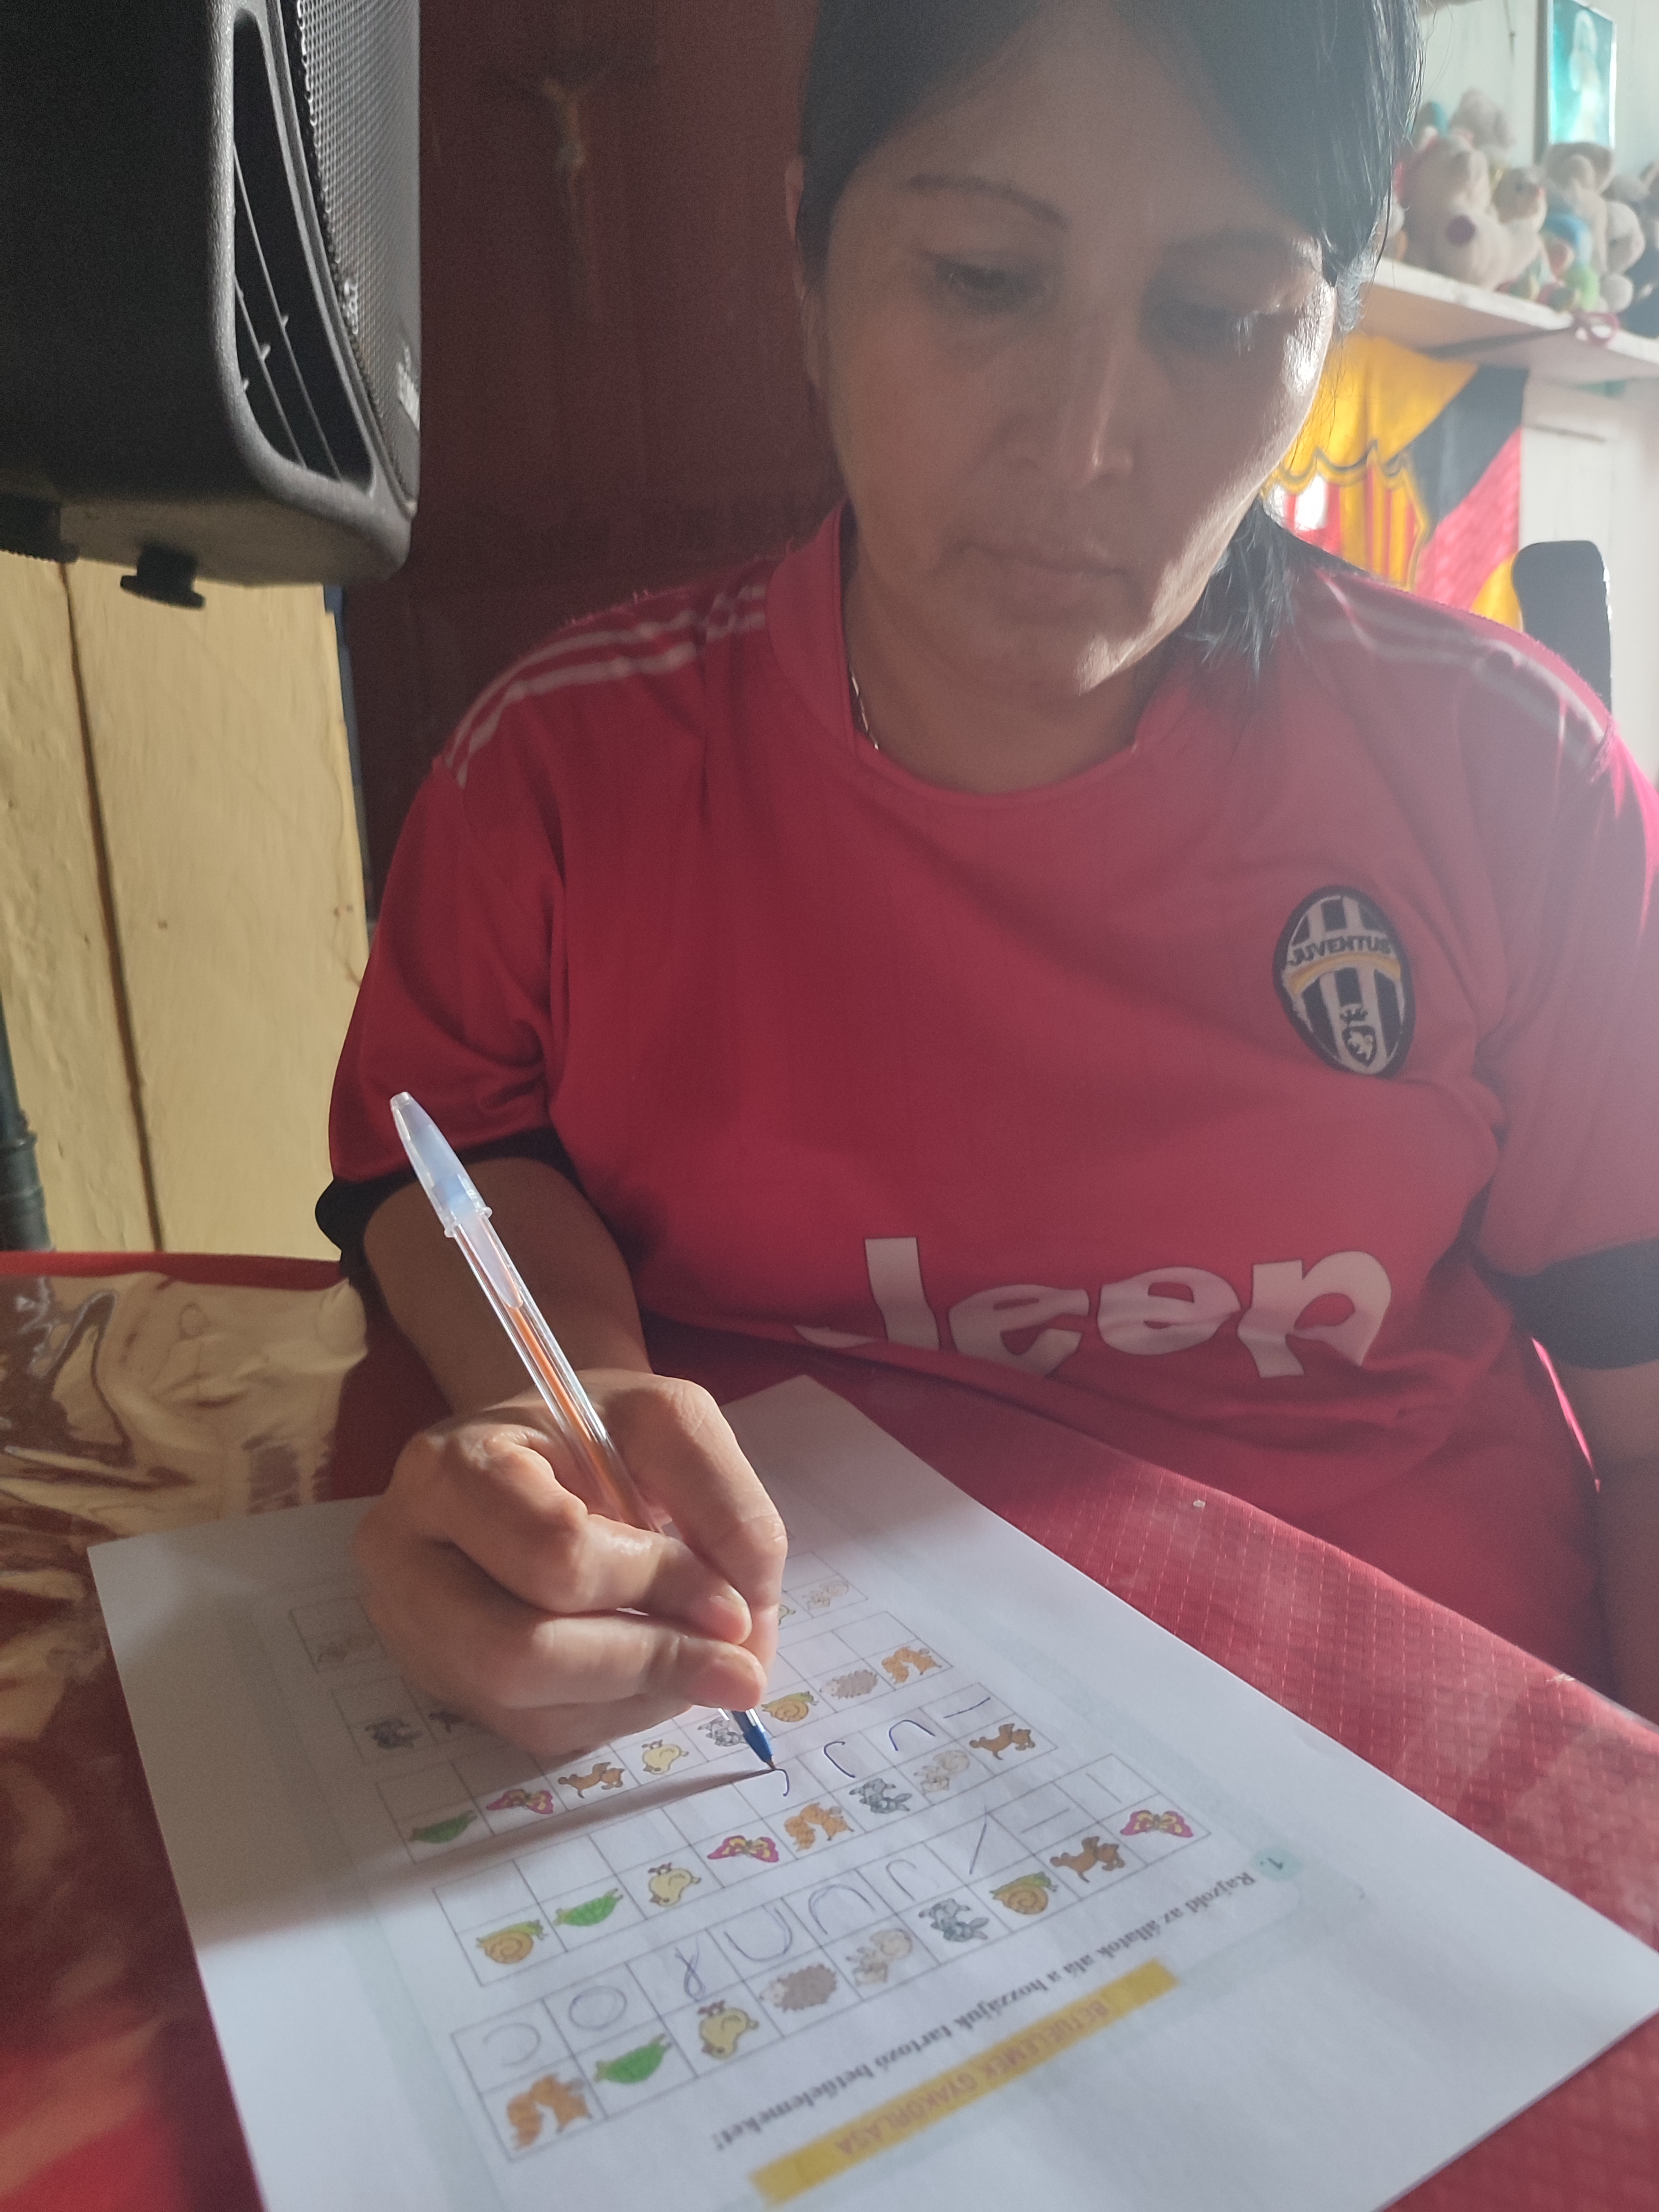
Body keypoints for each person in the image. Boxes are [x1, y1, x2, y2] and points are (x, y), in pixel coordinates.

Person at [321, 0, 1659, 1750]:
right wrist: (572, 1408)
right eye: (980, 279)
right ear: (808, 264)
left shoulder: (1515, 784)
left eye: (1218, 316)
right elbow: (443, 1157)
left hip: (1423, 1755)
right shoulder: (562, 784)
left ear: (1332, 325)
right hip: (794, 1770)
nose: (1084, 444)